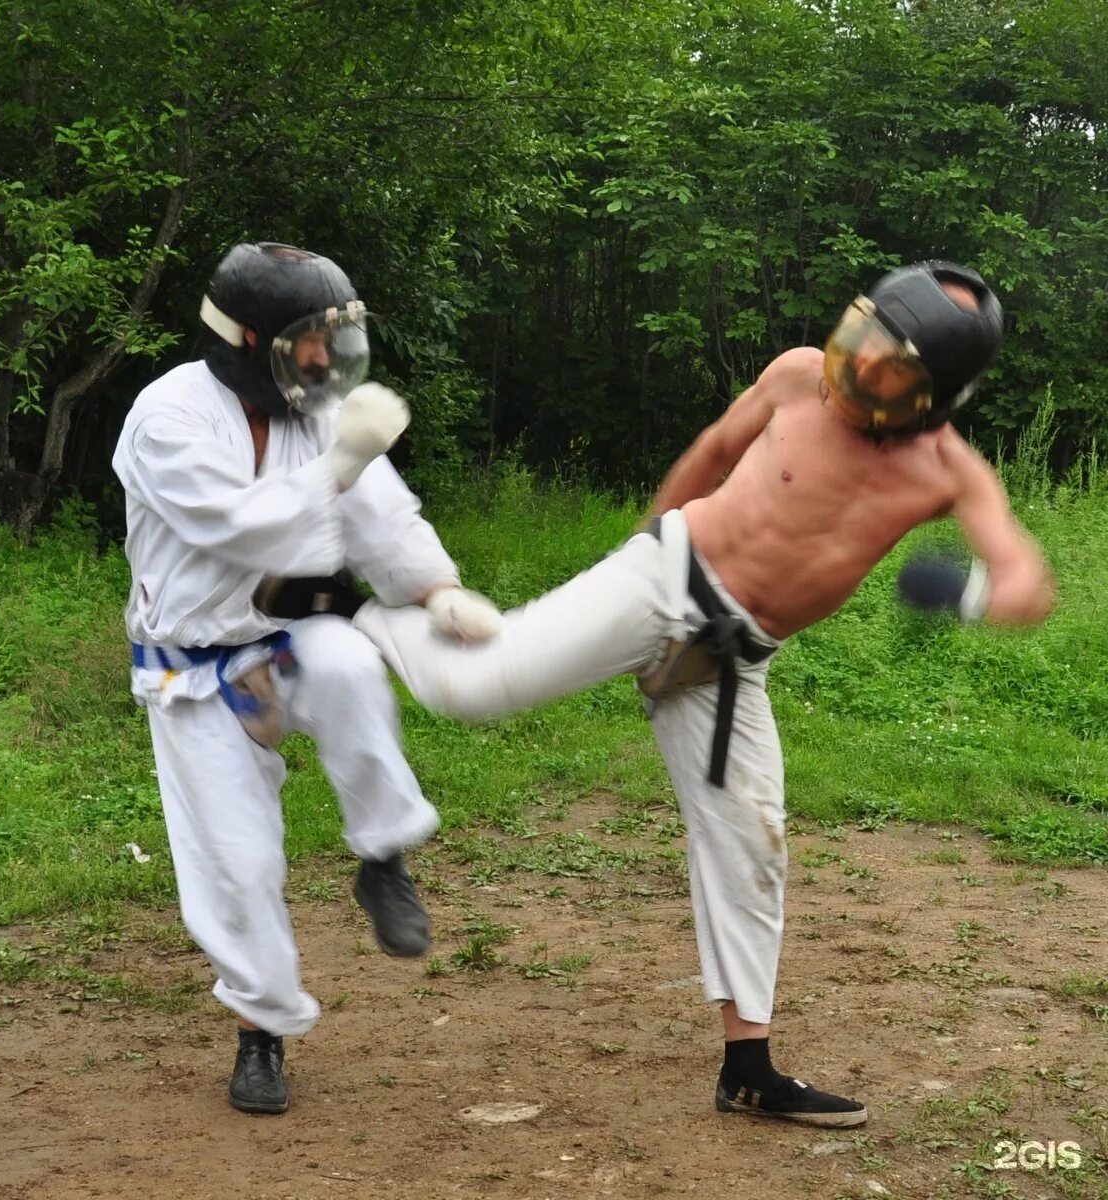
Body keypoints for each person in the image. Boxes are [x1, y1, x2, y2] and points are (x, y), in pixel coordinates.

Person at [352, 262, 1054, 1128]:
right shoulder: (800, 376)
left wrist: (968, 595)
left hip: (730, 657)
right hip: (667, 576)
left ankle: (749, 1069)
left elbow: (1030, 583)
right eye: (859, 345)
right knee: (475, 689)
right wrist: (640, 549)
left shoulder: (947, 470)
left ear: (937, 396)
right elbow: (717, 449)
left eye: (890, 371)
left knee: (750, 842)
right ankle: (353, 615)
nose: (858, 374)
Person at [111, 242, 501, 1116]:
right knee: (239, 866)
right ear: (248, 340)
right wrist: (339, 463)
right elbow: (241, 529)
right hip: (193, 672)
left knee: (351, 662)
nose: (324, 359)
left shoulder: (312, 409)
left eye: (331, 339)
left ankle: (382, 852)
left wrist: (437, 592)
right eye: (307, 341)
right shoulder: (166, 416)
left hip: (288, 637)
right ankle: (263, 1031)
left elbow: (381, 518)